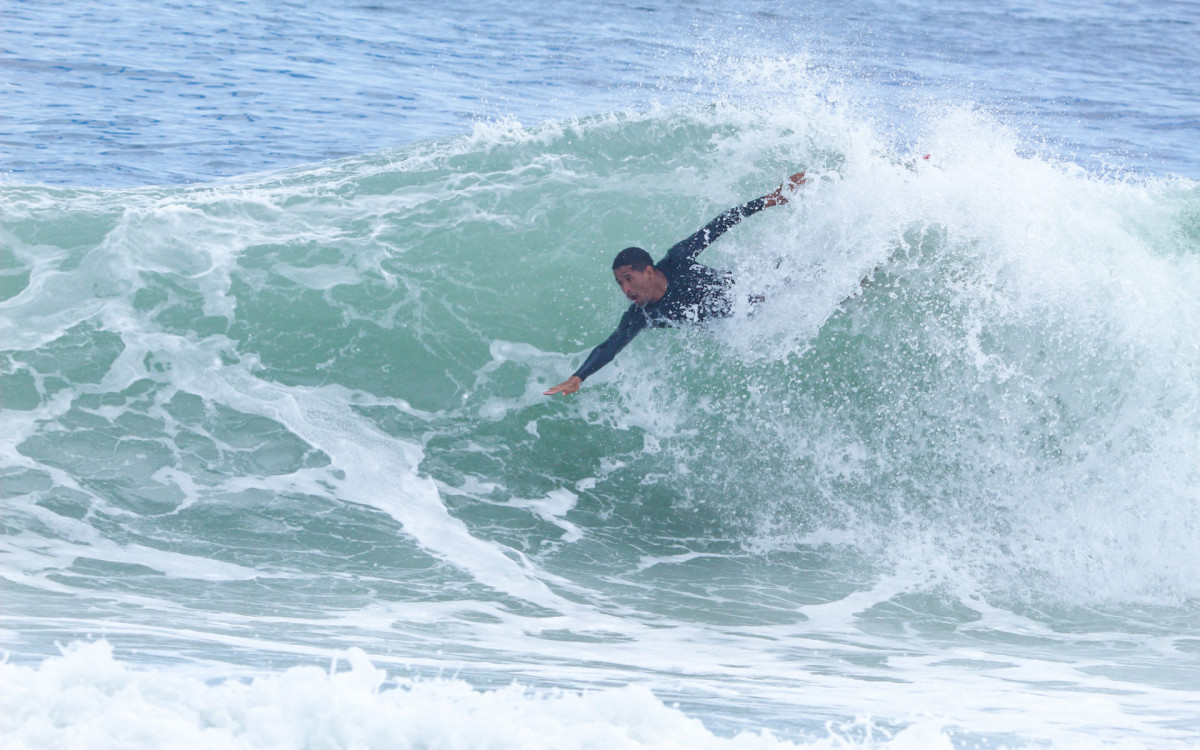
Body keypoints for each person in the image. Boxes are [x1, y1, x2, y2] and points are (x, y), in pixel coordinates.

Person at [544, 172, 807, 396]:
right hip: (738, 321)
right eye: (620, 283)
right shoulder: (642, 315)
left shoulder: (678, 259)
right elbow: (610, 346)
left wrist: (771, 199)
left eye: (629, 279)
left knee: (802, 277)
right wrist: (578, 377)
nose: (625, 289)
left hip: (750, 288)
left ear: (649, 272)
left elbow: (720, 224)